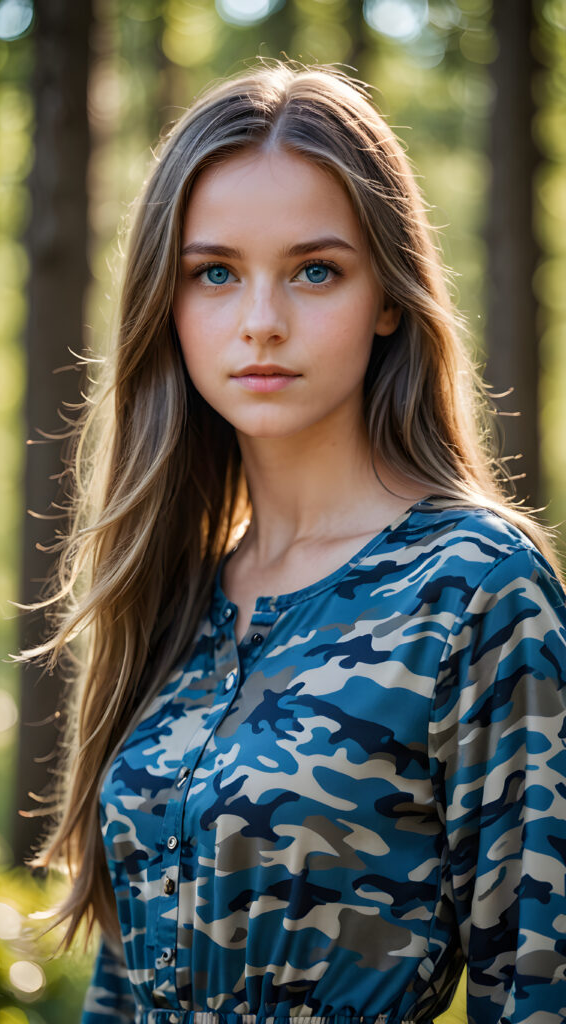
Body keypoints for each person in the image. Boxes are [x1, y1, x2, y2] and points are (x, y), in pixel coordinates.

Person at [29, 61, 566, 1024]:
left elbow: (540, 988)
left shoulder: (475, 590)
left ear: (390, 298)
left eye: (316, 270)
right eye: (215, 273)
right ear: (168, 302)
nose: (262, 323)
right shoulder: (173, 589)